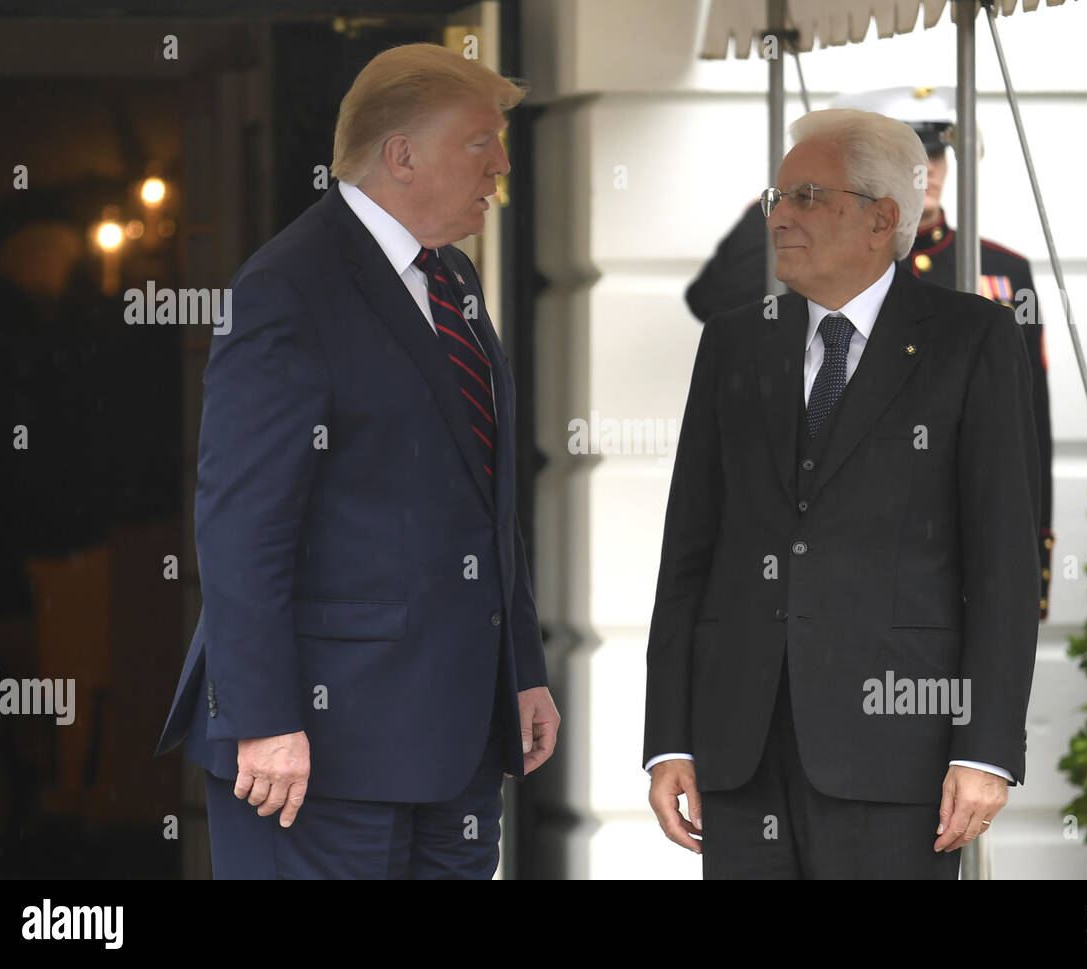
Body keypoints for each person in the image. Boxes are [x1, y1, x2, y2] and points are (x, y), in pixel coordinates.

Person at [155, 43, 559, 879]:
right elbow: (241, 525)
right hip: (313, 754)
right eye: (481, 141)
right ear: (402, 154)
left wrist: (520, 670)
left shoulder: (453, 280)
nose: (502, 165)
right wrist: (265, 719)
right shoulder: (288, 287)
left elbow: (485, 503)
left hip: (455, 743)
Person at [645, 108, 1041, 878]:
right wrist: (670, 737)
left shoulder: (973, 339)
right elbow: (688, 553)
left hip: (898, 754)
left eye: (805, 197)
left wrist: (987, 748)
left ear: (879, 219)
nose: (778, 217)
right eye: (776, 197)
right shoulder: (735, 339)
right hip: (739, 751)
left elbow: (1003, 565)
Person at [686, 86, 1054, 619]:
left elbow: (1028, 426)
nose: (925, 171)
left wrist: (1033, 549)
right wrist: (791, 199)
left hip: (932, 564)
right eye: (907, 160)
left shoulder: (1001, 271)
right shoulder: (834, 256)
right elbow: (712, 296)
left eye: (934, 154)